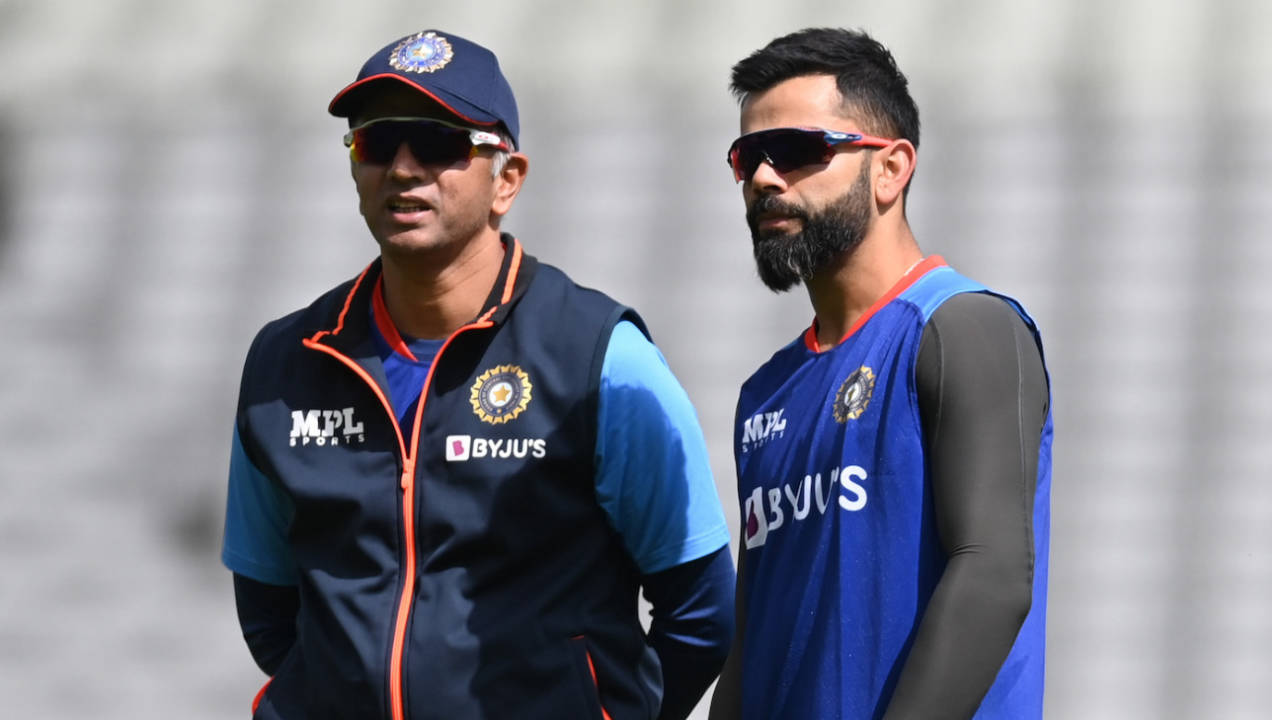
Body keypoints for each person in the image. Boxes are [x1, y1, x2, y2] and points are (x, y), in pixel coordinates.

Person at [221, 29, 735, 720]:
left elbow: (701, 613)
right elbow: (268, 611)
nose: (403, 169)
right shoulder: (287, 361)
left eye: (437, 143)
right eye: (377, 141)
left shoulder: (600, 357)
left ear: (507, 181)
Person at [707, 28, 1053, 720]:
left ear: (891, 169)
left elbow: (993, 577)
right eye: (749, 158)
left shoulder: (963, 328)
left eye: (799, 151)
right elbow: (751, 643)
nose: (766, 179)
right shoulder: (766, 392)